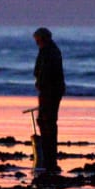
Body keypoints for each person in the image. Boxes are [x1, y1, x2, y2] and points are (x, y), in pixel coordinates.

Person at [33, 27, 65, 172]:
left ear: (43, 39)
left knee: (48, 123)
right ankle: (48, 159)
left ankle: (49, 160)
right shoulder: (48, 51)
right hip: (48, 91)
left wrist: (41, 83)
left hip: (50, 92)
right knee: (45, 122)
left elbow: (46, 73)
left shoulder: (50, 52)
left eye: (38, 40)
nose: (37, 43)